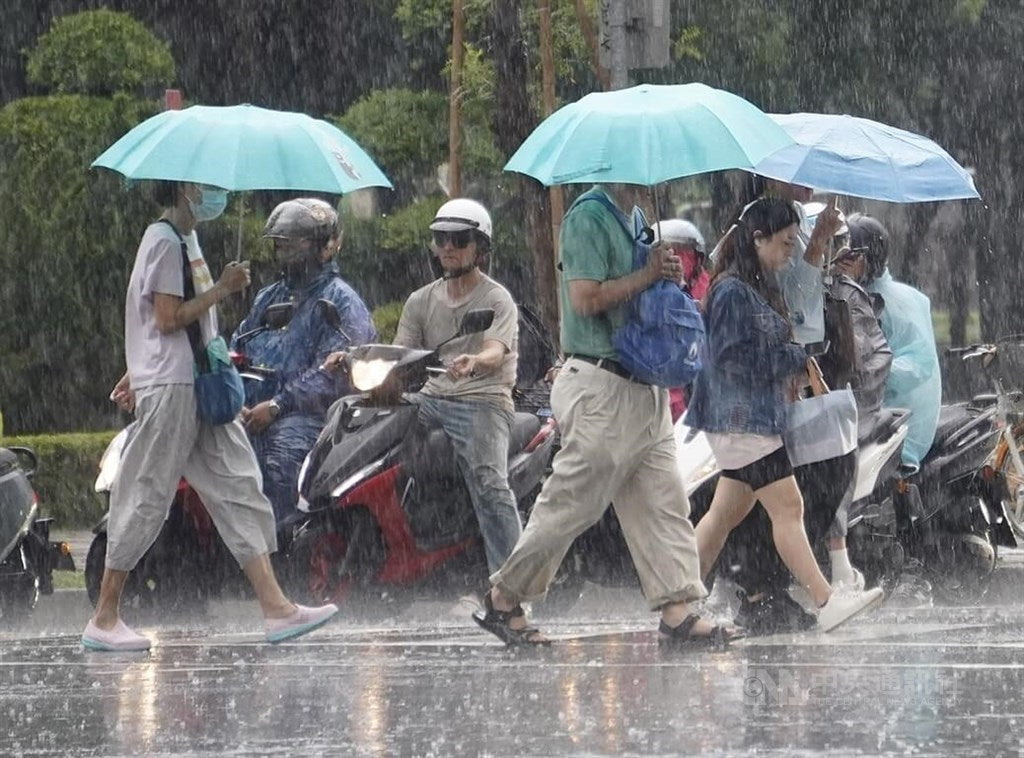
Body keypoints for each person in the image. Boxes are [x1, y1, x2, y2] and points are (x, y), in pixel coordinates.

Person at [474, 184, 738, 647]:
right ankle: (504, 598)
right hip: (602, 383)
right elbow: (585, 300)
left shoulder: (634, 218)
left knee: (663, 500)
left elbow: (638, 297)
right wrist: (647, 274)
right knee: (574, 502)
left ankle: (677, 610)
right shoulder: (587, 218)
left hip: (645, 387)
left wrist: (664, 276)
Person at [83, 180, 338, 652]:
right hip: (175, 388)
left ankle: (276, 607)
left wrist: (136, 366)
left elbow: (179, 327)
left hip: (201, 385)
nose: (215, 192)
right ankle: (104, 616)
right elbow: (165, 319)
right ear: (184, 188)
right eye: (207, 185)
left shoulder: (188, 238)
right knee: (147, 492)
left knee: (239, 486)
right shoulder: (162, 240)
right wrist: (222, 288)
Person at [686, 197, 883, 633]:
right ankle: (826, 600)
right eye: (787, 241)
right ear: (758, 239)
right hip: (742, 419)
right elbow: (733, 360)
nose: (791, 250)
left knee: (722, 516)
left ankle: (678, 601)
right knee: (788, 508)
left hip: (746, 419)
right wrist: (789, 358)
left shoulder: (753, 285)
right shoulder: (732, 291)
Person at [372, 198, 522, 578]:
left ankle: (513, 585)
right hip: (430, 399)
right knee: (363, 427)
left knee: (490, 484)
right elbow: (399, 354)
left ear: (481, 247)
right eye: (441, 239)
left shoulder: (496, 298)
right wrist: (354, 361)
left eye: (459, 239)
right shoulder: (420, 300)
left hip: (482, 400)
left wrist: (475, 361)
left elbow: (496, 350)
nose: (448, 248)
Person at [231, 198, 375, 525]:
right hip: (250, 413)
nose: (284, 254)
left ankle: (284, 551)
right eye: (280, 245)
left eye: (294, 245)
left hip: (310, 419)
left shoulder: (342, 302)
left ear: (324, 248)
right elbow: (238, 345)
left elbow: (333, 374)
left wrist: (279, 405)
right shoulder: (268, 296)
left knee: (278, 460)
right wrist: (231, 395)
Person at [821, 213, 894, 589]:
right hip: (820, 399)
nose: (837, 257)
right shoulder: (813, 287)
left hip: (842, 405)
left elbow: (864, 360)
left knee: (834, 465)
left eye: (844, 251)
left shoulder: (848, 295)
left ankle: (839, 569)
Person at [850, 214, 941, 470]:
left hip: (901, 433)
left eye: (847, 253)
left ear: (865, 258)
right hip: (900, 424)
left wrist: (864, 374)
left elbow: (918, 364)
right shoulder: (901, 295)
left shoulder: (879, 303)